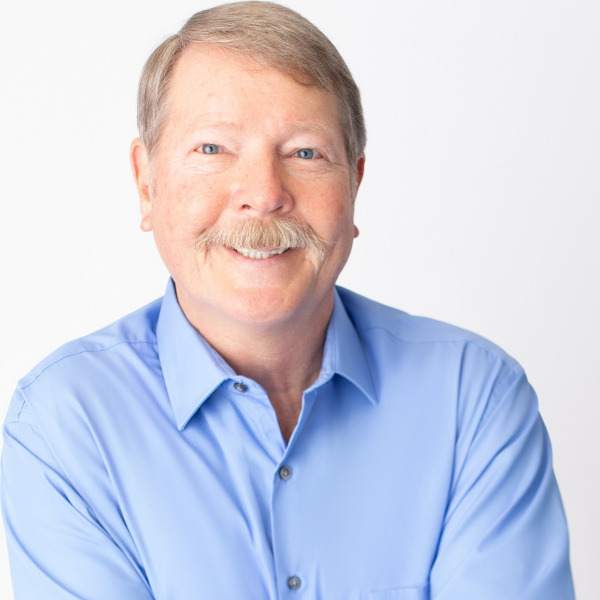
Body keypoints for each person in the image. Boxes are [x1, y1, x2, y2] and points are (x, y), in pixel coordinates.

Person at [1, 2, 574, 598]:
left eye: (305, 153)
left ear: (354, 183)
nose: (263, 194)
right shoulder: (65, 424)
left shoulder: (473, 398)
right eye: (212, 149)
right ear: (147, 183)